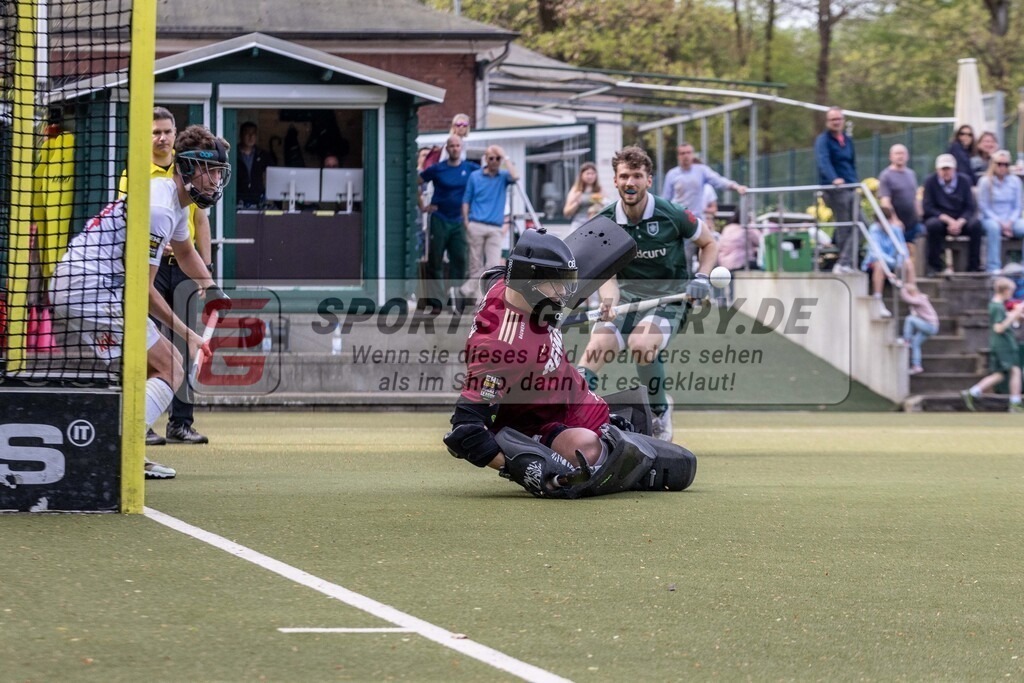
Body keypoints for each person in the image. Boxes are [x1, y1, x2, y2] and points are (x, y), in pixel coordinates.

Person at [442, 228, 696, 498]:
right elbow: (465, 431)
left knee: (684, 464)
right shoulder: (499, 348)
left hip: (576, 400)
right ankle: (603, 453)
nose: (563, 292)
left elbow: (492, 275)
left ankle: (611, 428)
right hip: (545, 425)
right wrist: (517, 468)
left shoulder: (509, 287)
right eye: (556, 283)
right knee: (590, 452)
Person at [51, 124, 232, 478]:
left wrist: (211, 288)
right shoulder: (160, 209)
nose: (215, 180)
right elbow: (142, 291)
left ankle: (125, 451)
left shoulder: (172, 202)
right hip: (90, 289)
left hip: (88, 287)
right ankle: (122, 452)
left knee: (149, 370)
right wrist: (189, 335)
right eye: (210, 170)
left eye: (218, 172)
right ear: (188, 167)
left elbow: (184, 251)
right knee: (172, 366)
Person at [577, 146, 719, 442]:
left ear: (649, 180)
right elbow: (606, 273)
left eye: (637, 176)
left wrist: (702, 277)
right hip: (626, 300)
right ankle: (576, 419)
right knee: (595, 350)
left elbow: (709, 244)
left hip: (670, 299)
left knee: (641, 344)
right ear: (615, 180)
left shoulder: (673, 214)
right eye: (624, 176)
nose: (630, 182)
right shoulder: (605, 222)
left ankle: (658, 412)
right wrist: (608, 302)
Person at [117, 108, 214, 446]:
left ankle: (175, 424)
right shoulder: (153, 193)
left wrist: (208, 280)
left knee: (173, 358)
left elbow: (189, 241)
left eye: (167, 131)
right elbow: (141, 286)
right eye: (155, 132)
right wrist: (189, 333)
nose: (161, 138)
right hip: (128, 278)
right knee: (153, 354)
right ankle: (130, 437)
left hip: (169, 269)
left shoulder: (182, 189)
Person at [418, 134, 479, 312]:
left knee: (460, 260)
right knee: (435, 260)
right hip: (440, 218)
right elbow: (415, 182)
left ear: (461, 148)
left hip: (460, 220)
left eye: (457, 146)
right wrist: (422, 206)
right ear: (447, 148)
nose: (454, 149)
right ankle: (437, 303)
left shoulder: (470, 168)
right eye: (451, 146)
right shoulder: (438, 169)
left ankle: (457, 300)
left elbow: (489, 178)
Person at [460, 144, 518, 301]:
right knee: (475, 265)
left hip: (495, 227)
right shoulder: (475, 176)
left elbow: (516, 176)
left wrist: (505, 155)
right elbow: (466, 199)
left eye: (497, 158)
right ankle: (479, 302)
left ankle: (465, 290)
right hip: (476, 224)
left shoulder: (503, 176)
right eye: (491, 158)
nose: (495, 161)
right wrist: (466, 222)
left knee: (492, 266)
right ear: (486, 159)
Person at [961, 276, 1024, 412]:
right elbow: (999, 328)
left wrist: (1016, 315)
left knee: (999, 374)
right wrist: (1015, 314)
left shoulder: (997, 306)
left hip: (1000, 343)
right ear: (1006, 290)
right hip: (1004, 344)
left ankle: (972, 392)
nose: (1011, 294)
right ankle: (1015, 403)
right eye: (1011, 291)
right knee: (1015, 371)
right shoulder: (997, 307)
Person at [814, 106, 859, 273]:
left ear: (843, 120)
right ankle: (844, 263)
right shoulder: (823, 140)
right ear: (828, 122)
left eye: (839, 119)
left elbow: (852, 163)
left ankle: (845, 262)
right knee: (845, 226)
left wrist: (855, 182)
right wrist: (834, 179)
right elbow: (823, 162)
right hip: (835, 189)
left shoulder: (847, 140)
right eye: (833, 119)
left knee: (862, 224)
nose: (836, 122)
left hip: (850, 187)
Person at [922, 153, 983, 275]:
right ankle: (934, 267)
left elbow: (970, 207)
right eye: (943, 169)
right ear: (937, 170)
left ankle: (974, 266)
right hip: (941, 219)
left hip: (961, 219)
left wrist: (960, 221)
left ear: (954, 169)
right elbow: (928, 207)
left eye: (948, 169)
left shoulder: (965, 181)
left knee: (976, 225)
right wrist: (948, 220)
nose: (946, 172)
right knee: (932, 226)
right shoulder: (930, 182)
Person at [660, 143, 746, 222]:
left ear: (693, 154)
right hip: (678, 218)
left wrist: (737, 187)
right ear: (678, 156)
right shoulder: (672, 174)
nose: (686, 156)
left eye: (688, 152)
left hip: (696, 219)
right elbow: (666, 198)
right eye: (682, 153)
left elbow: (719, 181)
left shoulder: (701, 170)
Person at [977, 149, 1024, 274]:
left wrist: (1010, 222)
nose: (1002, 167)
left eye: (1006, 164)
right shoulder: (985, 181)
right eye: (999, 164)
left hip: (1011, 220)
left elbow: (1018, 206)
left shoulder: (1015, 181)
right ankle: (993, 267)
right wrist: (1000, 223)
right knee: (993, 228)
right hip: (990, 219)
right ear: (993, 164)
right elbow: (984, 207)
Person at [877, 143, 923, 268]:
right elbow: (885, 201)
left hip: (912, 222)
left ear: (907, 156)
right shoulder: (886, 175)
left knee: (925, 235)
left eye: (902, 153)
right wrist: (894, 220)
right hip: (896, 224)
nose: (900, 156)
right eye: (897, 153)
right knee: (898, 255)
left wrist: (921, 216)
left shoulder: (911, 174)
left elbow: (915, 197)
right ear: (890, 157)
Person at [861, 206, 909, 319]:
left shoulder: (896, 230)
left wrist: (898, 264)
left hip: (892, 265)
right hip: (874, 265)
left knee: (909, 263)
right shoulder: (874, 230)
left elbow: (903, 250)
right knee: (880, 265)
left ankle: (913, 295)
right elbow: (875, 253)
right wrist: (891, 263)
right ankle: (878, 300)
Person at [899, 282, 939, 376]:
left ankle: (906, 339)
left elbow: (907, 299)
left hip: (930, 326)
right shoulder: (919, 298)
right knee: (915, 344)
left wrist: (903, 289)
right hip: (930, 326)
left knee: (909, 319)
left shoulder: (920, 298)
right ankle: (917, 366)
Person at [235, 121, 274, 209]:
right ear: (241, 135)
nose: (251, 136)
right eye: (247, 133)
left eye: (253, 133)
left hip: (258, 200)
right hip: (237, 199)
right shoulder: (233, 154)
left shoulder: (263, 155)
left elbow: (271, 176)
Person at [562, 161, 607, 230]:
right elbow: (566, 212)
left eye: (593, 173)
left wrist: (600, 203)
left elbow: (607, 206)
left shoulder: (600, 190)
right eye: (587, 173)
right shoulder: (576, 190)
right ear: (581, 175)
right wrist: (577, 203)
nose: (590, 176)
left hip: (596, 224)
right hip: (579, 224)